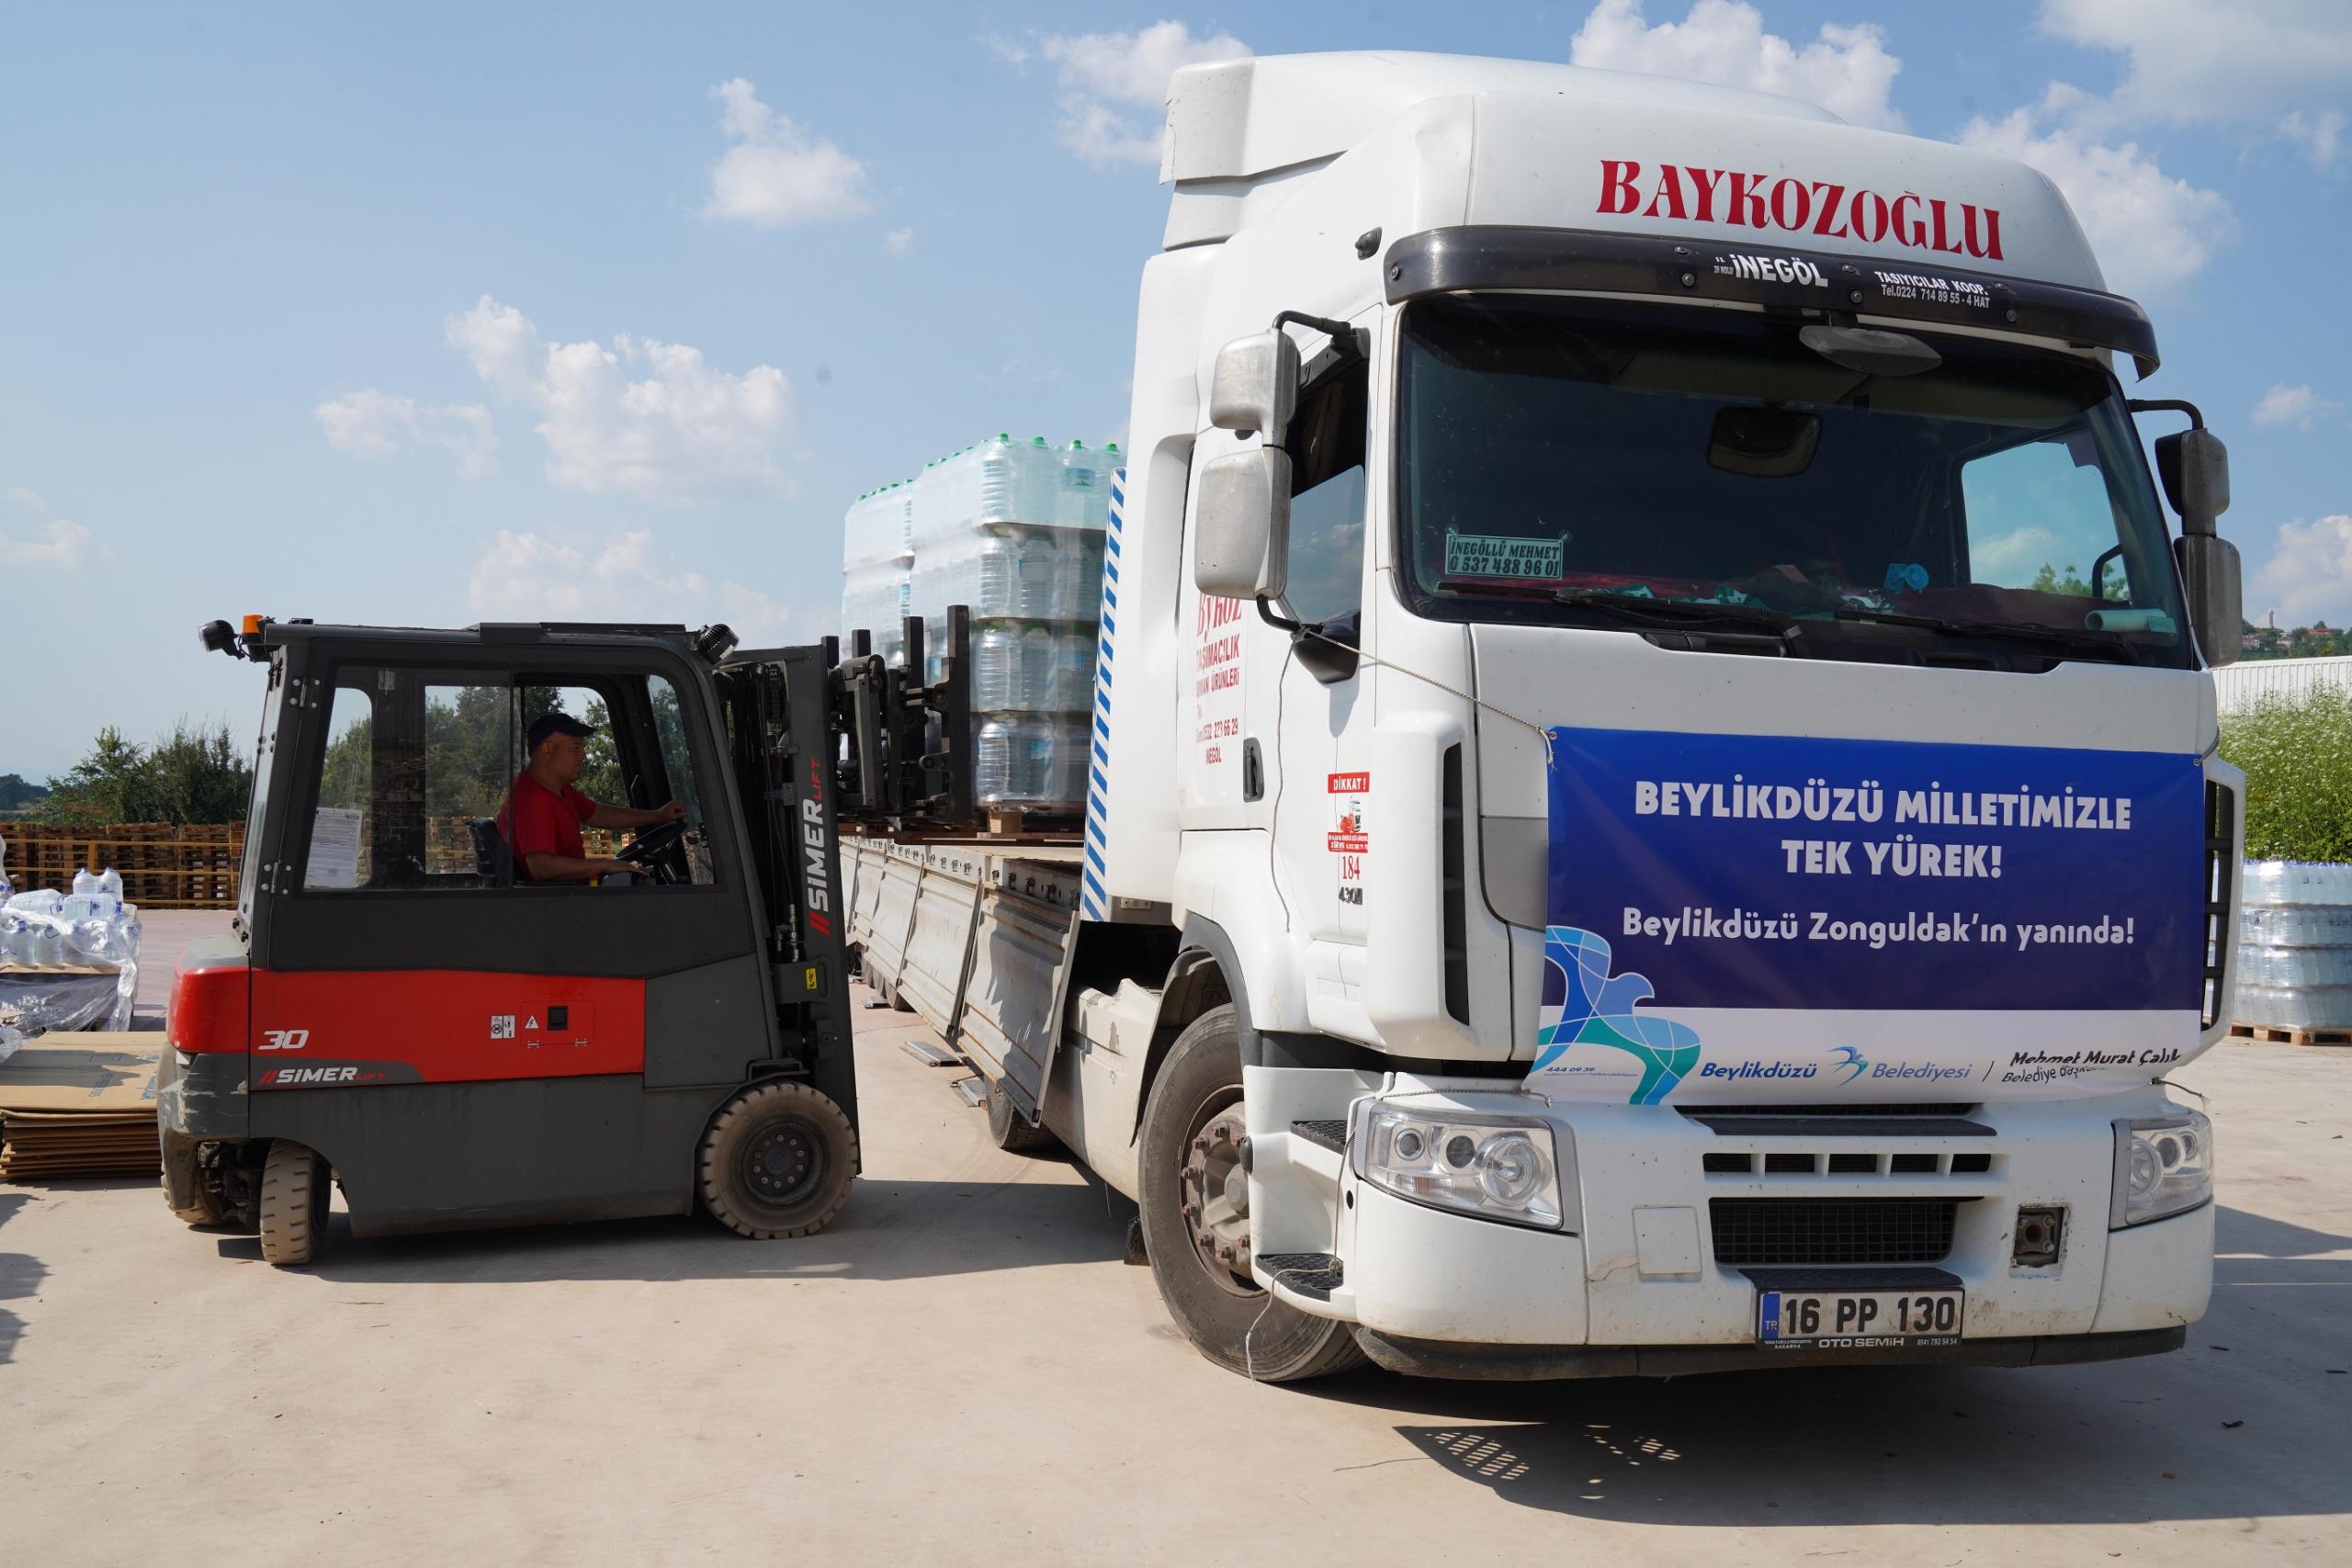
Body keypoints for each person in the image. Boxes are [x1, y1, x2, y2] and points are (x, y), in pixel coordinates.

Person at [498, 712, 686, 884]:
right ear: (547, 750)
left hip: (571, 894)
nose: (583, 756)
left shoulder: (558, 790)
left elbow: (599, 814)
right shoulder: (532, 798)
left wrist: (658, 816)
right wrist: (605, 864)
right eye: (576, 748)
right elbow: (542, 867)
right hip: (560, 903)